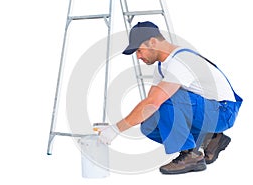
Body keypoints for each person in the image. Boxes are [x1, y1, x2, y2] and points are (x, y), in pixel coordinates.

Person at [98, 21, 242, 174]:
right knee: (149, 125)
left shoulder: (181, 60)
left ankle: (191, 156)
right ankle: (211, 138)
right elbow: (150, 107)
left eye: (139, 50)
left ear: (153, 42)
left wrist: (115, 129)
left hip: (224, 111)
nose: (138, 56)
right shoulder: (162, 67)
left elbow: (154, 102)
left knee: (165, 99)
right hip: (208, 110)